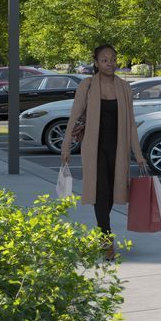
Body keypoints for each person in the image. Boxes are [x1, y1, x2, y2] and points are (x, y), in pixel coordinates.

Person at [60, 44, 141, 260]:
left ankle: (101, 232)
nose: (110, 63)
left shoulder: (124, 88)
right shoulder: (87, 86)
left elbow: (131, 123)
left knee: (113, 192)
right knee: (100, 192)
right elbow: (74, 116)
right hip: (94, 148)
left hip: (118, 147)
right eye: (104, 60)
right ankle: (107, 240)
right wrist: (66, 146)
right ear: (96, 63)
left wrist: (138, 153)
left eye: (113, 59)